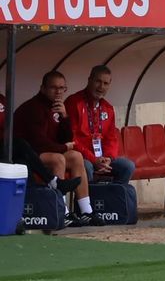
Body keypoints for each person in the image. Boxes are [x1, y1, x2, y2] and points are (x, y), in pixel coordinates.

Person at [12, 71, 100, 226]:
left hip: (45, 152)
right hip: (26, 156)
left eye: (62, 88)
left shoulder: (57, 107)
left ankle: (86, 211)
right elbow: (37, 143)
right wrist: (62, 147)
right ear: (43, 88)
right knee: (58, 158)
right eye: (54, 88)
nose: (58, 92)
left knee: (75, 156)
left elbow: (66, 138)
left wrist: (65, 117)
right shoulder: (33, 108)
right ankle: (62, 211)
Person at [66, 65, 135, 186]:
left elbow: (111, 138)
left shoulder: (108, 108)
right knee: (86, 166)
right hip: (83, 157)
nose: (101, 87)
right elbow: (72, 138)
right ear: (89, 80)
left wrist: (108, 158)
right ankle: (89, 203)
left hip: (102, 158)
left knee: (127, 166)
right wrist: (93, 159)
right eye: (98, 81)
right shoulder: (74, 103)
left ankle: (113, 200)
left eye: (105, 83)